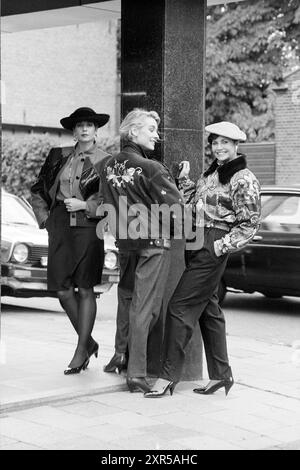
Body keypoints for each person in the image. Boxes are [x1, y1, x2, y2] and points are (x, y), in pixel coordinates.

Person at [144, 121, 261, 398]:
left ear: (236, 145)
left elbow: (250, 223)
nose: (218, 147)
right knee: (209, 311)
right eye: (214, 142)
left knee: (178, 307)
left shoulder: (243, 178)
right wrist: (183, 179)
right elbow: (192, 202)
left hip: (212, 244)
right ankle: (222, 375)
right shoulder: (213, 174)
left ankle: (168, 376)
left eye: (224, 143)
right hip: (195, 241)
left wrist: (221, 246)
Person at [98, 108, 184, 392]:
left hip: (125, 243)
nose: (156, 136)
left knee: (126, 298)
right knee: (146, 309)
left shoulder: (106, 165)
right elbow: (176, 207)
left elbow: (101, 201)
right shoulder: (152, 168)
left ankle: (119, 354)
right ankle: (136, 373)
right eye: (151, 130)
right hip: (152, 244)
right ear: (133, 131)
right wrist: (180, 183)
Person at [31, 107, 110, 375]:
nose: (84, 129)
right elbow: (39, 189)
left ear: (96, 130)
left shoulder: (106, 161)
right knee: (62, 289)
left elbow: (109, 200)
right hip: (60, 228)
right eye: (79, 126)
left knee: (85, 288)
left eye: (89, 125)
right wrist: (46, 220)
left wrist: (85, 205)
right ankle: (88, 342)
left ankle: (80, 351)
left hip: (88, 228)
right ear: (73, 131)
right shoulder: (58, 155)